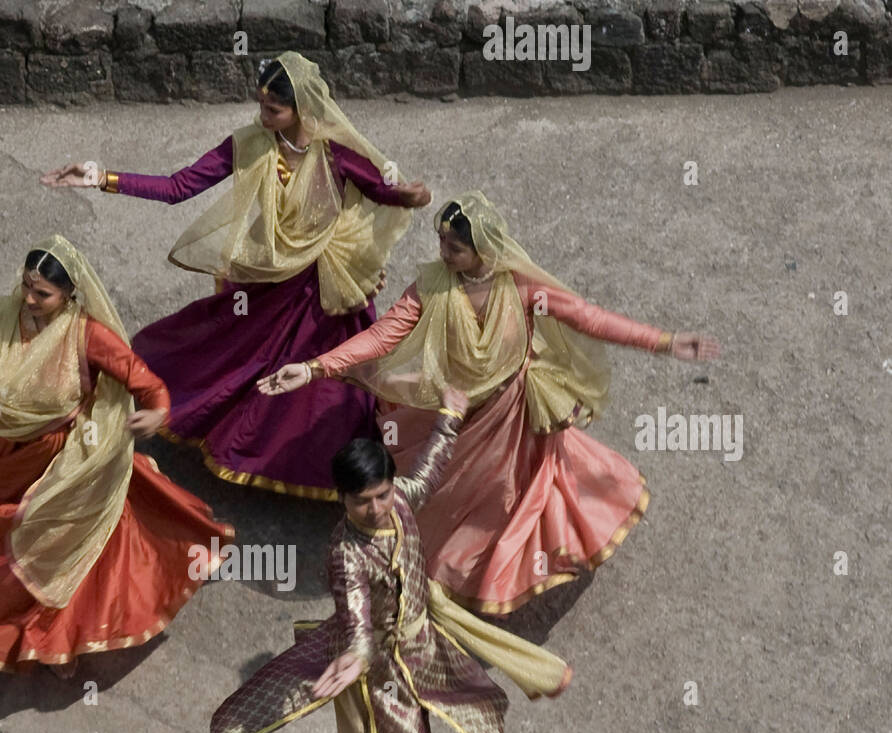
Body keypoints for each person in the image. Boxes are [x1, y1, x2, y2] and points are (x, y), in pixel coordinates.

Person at [259, 191, 722, 614]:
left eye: (454, 248)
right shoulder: (431, 287)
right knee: (448, 493)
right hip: (456, 410)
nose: (443, 254)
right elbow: (383, 336)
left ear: (484, 249)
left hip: (512, 413)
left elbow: (589, 318)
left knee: (514, 494)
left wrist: (665, 341)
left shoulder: (521, 289)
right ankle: (457, 566)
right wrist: (315, 367)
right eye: (441, 243)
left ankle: (510, 563)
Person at [210, 395, 572, 733]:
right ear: (342, 499)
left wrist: (449, 416)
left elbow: (429, 469)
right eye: (362, 502)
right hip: (371, 678)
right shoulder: (345, 554)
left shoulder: (400, 500)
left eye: (381, 494)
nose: (376, 509)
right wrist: (355, 657)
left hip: (412, 656)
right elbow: (356, 615)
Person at [42, 52, 431, 500]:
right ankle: (230, 438)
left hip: (329, 287)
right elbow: (177, 187)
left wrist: (418, 195)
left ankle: (338, 473)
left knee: (333, 383)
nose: (262, 116)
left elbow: (390, 194)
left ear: (301, 108)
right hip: (271, 281)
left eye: (273, 109)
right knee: (230, 357)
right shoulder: (249, 145)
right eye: (261, 106)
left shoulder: (338, 154)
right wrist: (100, 177)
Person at [0, 235, 233, 677]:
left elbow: (148, 385)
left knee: (62, 546)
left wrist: (154, 416)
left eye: (41, 293)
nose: (29, 299)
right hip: (9, 453)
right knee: (6, 533)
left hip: (69, 462)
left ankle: (58, 640)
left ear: (68, 296)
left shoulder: (88, 336)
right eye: (26, 286)